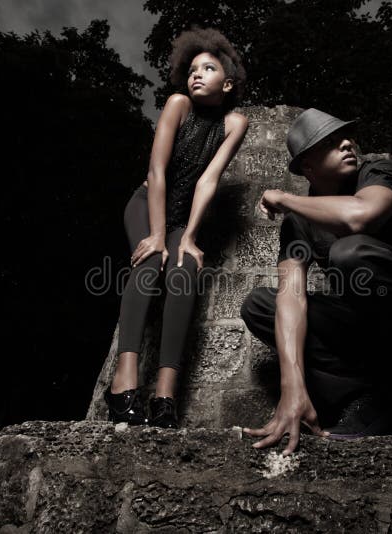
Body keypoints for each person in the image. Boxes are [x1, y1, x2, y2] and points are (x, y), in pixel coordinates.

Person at [240, 108, 392, 454]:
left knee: (350, 253)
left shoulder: (376, 174)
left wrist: (284, 198)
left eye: (346, 137)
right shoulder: (297, 224)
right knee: (260, 306)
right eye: (331, 143)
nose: (347, 143)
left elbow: (361, 216)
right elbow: (291, 297)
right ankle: (373, 394)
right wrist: (293, 386)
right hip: (370, 333)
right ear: (308, 167)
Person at [105, 27, 248, 429]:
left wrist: (188, 237)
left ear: (229, 81)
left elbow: (209, 180)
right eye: (191, 69)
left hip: (182, 219)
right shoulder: (177, 104)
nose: (196, 75)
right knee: (150, 263)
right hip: (146, 203)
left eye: (208, 67)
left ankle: (164, 395)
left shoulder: (235, 123)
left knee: (184, 272)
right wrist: (156, 232)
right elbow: (157, 169)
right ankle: (124, 382)